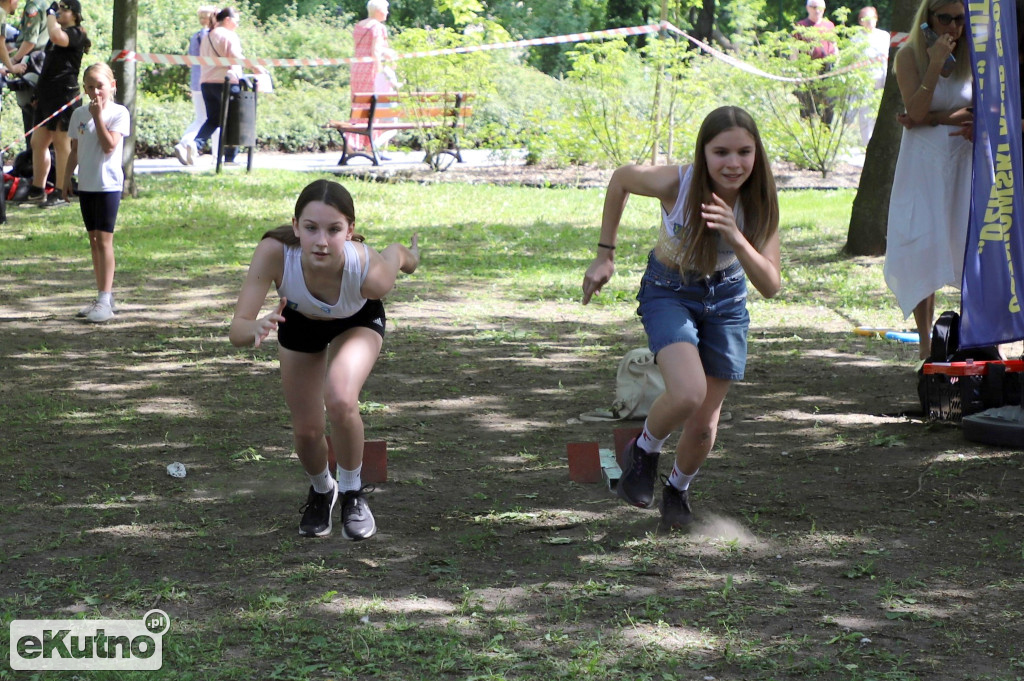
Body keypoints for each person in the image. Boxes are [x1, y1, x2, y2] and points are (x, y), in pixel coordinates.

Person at [582, 106, 781, 531]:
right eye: (721, 152)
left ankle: (677, 490)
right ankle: (644, 450)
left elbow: (771, 284)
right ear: (703, 153)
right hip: (669, 290)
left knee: (705, 424)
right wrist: (605, 254)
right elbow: (620, 179)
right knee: (687, 392)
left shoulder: (760, 200)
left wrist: (735, 235)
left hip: (726, 300)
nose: (733, 163)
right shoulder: (677, 182)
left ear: (756, 153)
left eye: (744, 152)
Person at [229, 179, 419, 540]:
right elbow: (236, 331)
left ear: (350, 231)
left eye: (334, 230)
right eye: (311, 228)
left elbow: (389, 268)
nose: (321, 241)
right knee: (307, 429)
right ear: (296, 225)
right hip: (299, 323)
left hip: (356, 318)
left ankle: (351, 491)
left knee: (341, 397)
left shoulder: (365, 270)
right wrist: (254, 326)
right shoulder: (274, 252)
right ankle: (322, 490)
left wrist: (401, 253)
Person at [883, 0, 972, 361]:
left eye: (960, 19)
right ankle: (925, 348)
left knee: (963, 241)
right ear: (928, 17)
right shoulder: (909, 56)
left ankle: (973, 338)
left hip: (963, 159)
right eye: (945, 18)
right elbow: (913, 110)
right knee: (925, 243)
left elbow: (981, 109)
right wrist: (935, 63)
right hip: (923, 164)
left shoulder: (973, 54)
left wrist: (933, 118)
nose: (953, 27)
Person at [61, 63, 130, 323]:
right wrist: (66, 178)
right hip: (87, 184)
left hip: (107, 185)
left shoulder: (118, 113)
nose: (94, 92)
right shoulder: (79, 113)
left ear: (112, 85)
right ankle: (103, 295)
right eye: (89, 87)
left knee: (104, 241)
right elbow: (75, 150)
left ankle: (105, 299)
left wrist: (99, 116)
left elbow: (109, 145)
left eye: (99, 86)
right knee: (92, 241)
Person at [26, 0, 89, 207]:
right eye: (58, 8)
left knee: (62, 144)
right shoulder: (58, 35)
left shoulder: (76, 34)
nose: (59, 12)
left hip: (64, 97)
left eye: (64, 8)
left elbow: (55, 35)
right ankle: (38, 190)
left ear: (75, 14)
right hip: (46, 97)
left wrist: (50, 13)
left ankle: (62, 191)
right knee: (38, 142)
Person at [344, 0, 399, 156]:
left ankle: (351, 142)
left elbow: (358, 48)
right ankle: (372, 147)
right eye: (386, 10)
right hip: (371, 70)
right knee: (374, 108)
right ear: (378, 11)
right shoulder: (378, 27)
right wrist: (381, 71)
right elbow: (376, 51)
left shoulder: (359, 25)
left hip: (357, 69)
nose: (387, 13)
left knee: (358, 108)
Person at [193, 7, 246, 164]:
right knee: (233, 119)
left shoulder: (208, 36)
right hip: (226, 82)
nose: (237, 24)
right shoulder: (229, 36)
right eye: (236, 20)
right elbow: (237, 58)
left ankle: (194, 145)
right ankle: (230, 158)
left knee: (214, 119)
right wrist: (257, 67)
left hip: (206, 83)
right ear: (228, 20)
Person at [172, 5, 218, 166]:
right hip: (211, 80)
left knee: (201, 118)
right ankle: (216, 156)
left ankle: (184, 144)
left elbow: (191, 62)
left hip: (196, 81)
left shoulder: (195, 36)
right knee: (215, 119)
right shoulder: (213, 36)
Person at [6, 0, 48, 149]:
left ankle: (32, 163)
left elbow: (30, 41)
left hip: (31, 66)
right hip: (42, 66)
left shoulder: (33, 6)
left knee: (31, 119)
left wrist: (13, 61)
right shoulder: (46, 3)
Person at [793, 0, 838, 124]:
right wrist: (797, 73)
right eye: (813, 7)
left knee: (828, 103)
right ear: (808, 8)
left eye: (820, 8)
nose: (817, 10)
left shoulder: (829, 26)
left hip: (827, 70)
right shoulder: (801, 26)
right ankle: (807, 131)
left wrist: (837, 66)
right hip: (807, 70)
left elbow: (834, 47)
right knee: (807, 105)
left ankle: (825, 131)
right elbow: (795, 51)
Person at [853, 6, 892, 145]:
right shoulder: (856, 38)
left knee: (880, 113)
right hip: (864, 83)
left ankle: (881, 143)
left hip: (882, 81)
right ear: (860, 21)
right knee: (865, 115)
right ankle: (866, 144)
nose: (869, 22)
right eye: (865, 19)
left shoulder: (884, 36)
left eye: (871, 18)